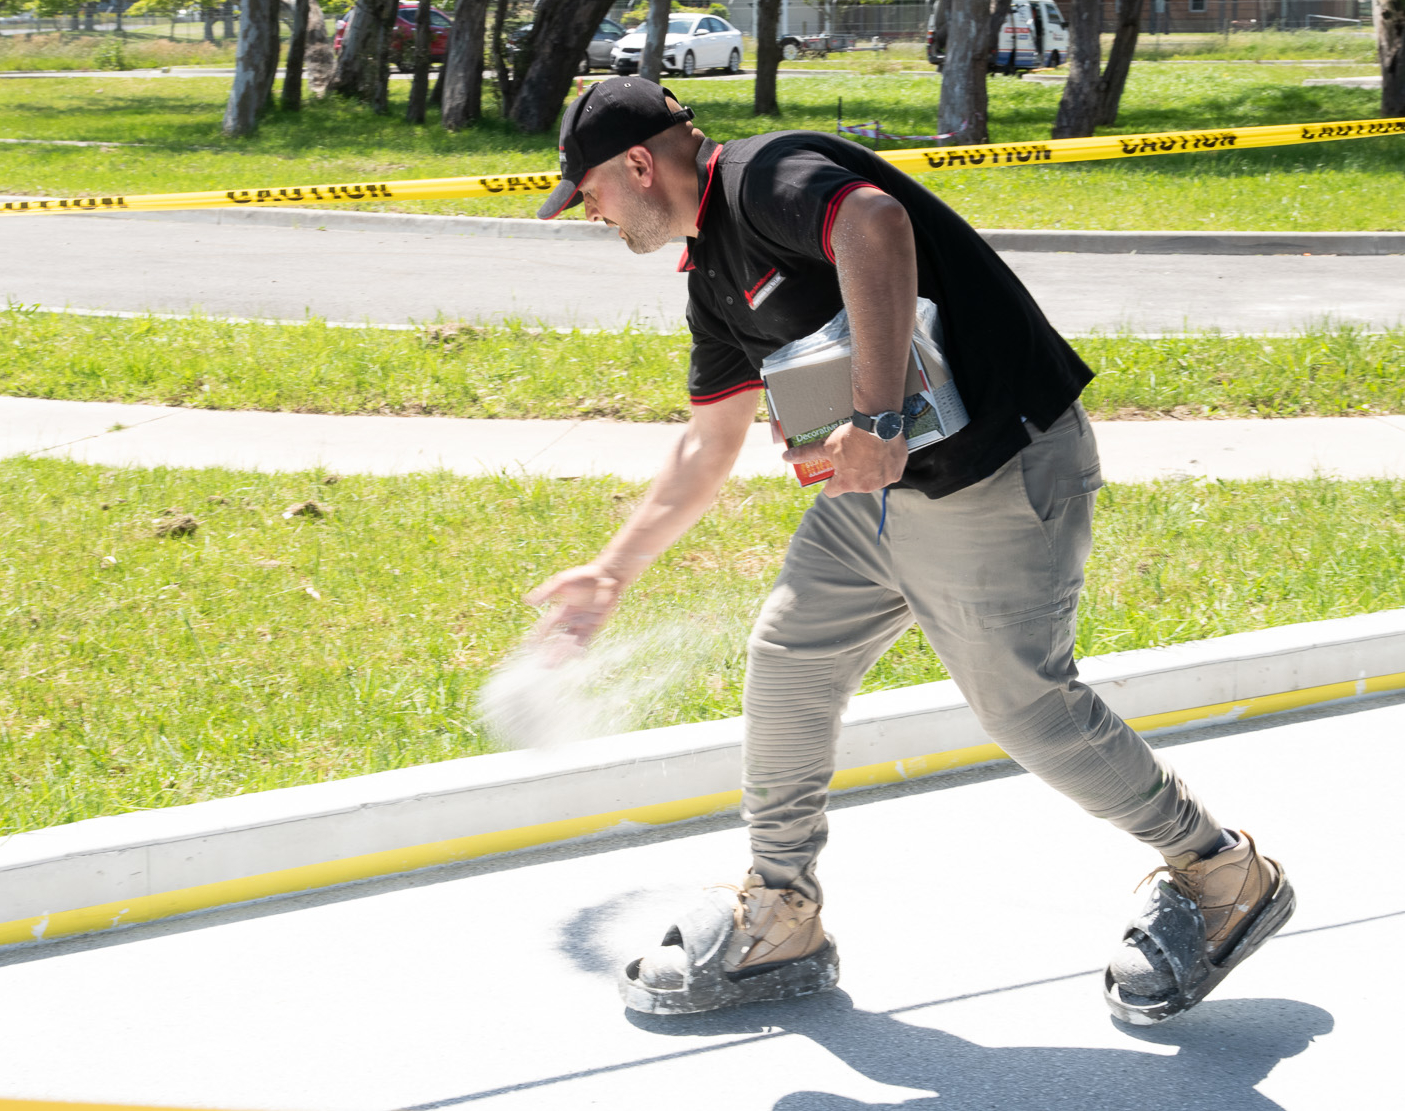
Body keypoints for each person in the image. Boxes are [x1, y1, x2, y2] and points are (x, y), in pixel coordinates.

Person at [523, 77, 1295, 1025]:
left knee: (1026, 706)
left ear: (640, 163)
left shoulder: (763, 178)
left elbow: (875, 222)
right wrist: (612, 571)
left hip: (998, 470)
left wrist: (876, 415)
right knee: (792, 655)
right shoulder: (713, 277)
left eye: (590, 190)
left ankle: (1223, 872)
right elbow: (706, 443)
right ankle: (781, 908)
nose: (589, 211)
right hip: (876, 501)